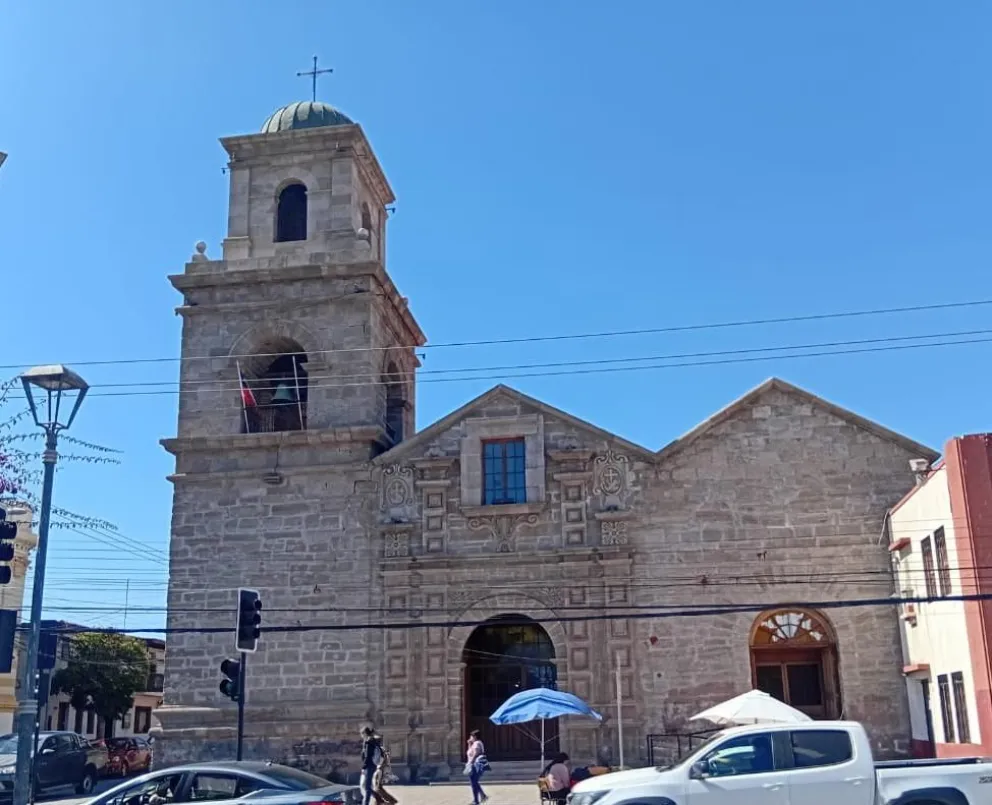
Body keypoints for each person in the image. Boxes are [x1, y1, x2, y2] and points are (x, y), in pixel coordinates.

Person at [360, 727, 384, 805]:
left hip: (369, 766)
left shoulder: (369, 742)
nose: (361, 735)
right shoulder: (373, 741)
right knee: (364, 785)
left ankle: (366, 803)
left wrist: (364, 767)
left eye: (362, 733)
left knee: (367, 786)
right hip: (372, 765)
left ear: (365, 733)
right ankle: (378, 798)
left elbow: (367, 756)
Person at [465, 729, 489, 805]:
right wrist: (469, 743)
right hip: (473, 764)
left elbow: (476, 753)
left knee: (473, 782)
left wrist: (471, 763)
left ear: (475, 736)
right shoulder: (474, 744)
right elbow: (469, 753)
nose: (470, 737)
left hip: (475, 764)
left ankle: (476, 800)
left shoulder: (477, 743)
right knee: (474, 782)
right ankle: (482, 796)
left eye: (471, 736)